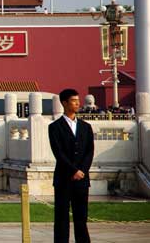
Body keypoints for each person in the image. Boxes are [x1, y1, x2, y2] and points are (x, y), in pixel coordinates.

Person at [48, 88, 94, 243]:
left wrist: (82, 171)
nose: (77, 103)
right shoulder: (55, 127)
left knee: (81, 218)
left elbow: (89, 151)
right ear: (64, 103)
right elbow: (58, 153)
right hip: (63, 179)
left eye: (78, 100)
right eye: (74, 101)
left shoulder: (85, 127)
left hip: (82, 179)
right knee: (61, 218)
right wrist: (73, 170)